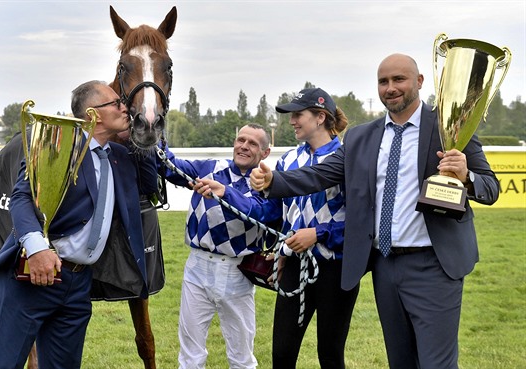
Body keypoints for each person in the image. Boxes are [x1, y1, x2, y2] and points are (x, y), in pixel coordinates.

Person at [250, 54, 500, 369]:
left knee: (436, 363)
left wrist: (467, 176)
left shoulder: (449, 126)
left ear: (419, 82)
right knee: (400, 362)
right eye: (383, 81)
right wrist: (275, 181)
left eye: (399, 80)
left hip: (434, 265)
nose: (390, 88)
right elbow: (319, 175)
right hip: (384, 266)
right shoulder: (361, 137)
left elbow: (490, 188)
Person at [0, 80, 158, 369]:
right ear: (93, 114)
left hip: (78, 285)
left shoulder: (120, 157)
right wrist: (38, 249)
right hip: (33, 273)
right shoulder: (58, 144)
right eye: (116, 103)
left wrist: (145, 134)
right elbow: (21, 197)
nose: (124, 107)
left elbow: (150, 185)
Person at [195, 88, 359, 369]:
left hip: (336, 269)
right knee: (282, 355)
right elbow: (268, 214)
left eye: (298, 115)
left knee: (330, 355)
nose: (292, 121)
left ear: (320, 117)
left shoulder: (348, 159)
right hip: (294, 266)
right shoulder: (287, 161)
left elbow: (360, 222)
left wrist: (318, 233)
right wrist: (226, 193)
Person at [158, 123, 274, 369]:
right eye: (241, 139)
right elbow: (169, 166)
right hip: (197, 267)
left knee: (242, 356)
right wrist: (154, 131)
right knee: (190, 356)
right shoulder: (210, 168)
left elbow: (258, 213)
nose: (243, 146)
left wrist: (224, 193)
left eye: (252, 143)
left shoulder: (267, 182)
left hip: (237, 272)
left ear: (265, 152)